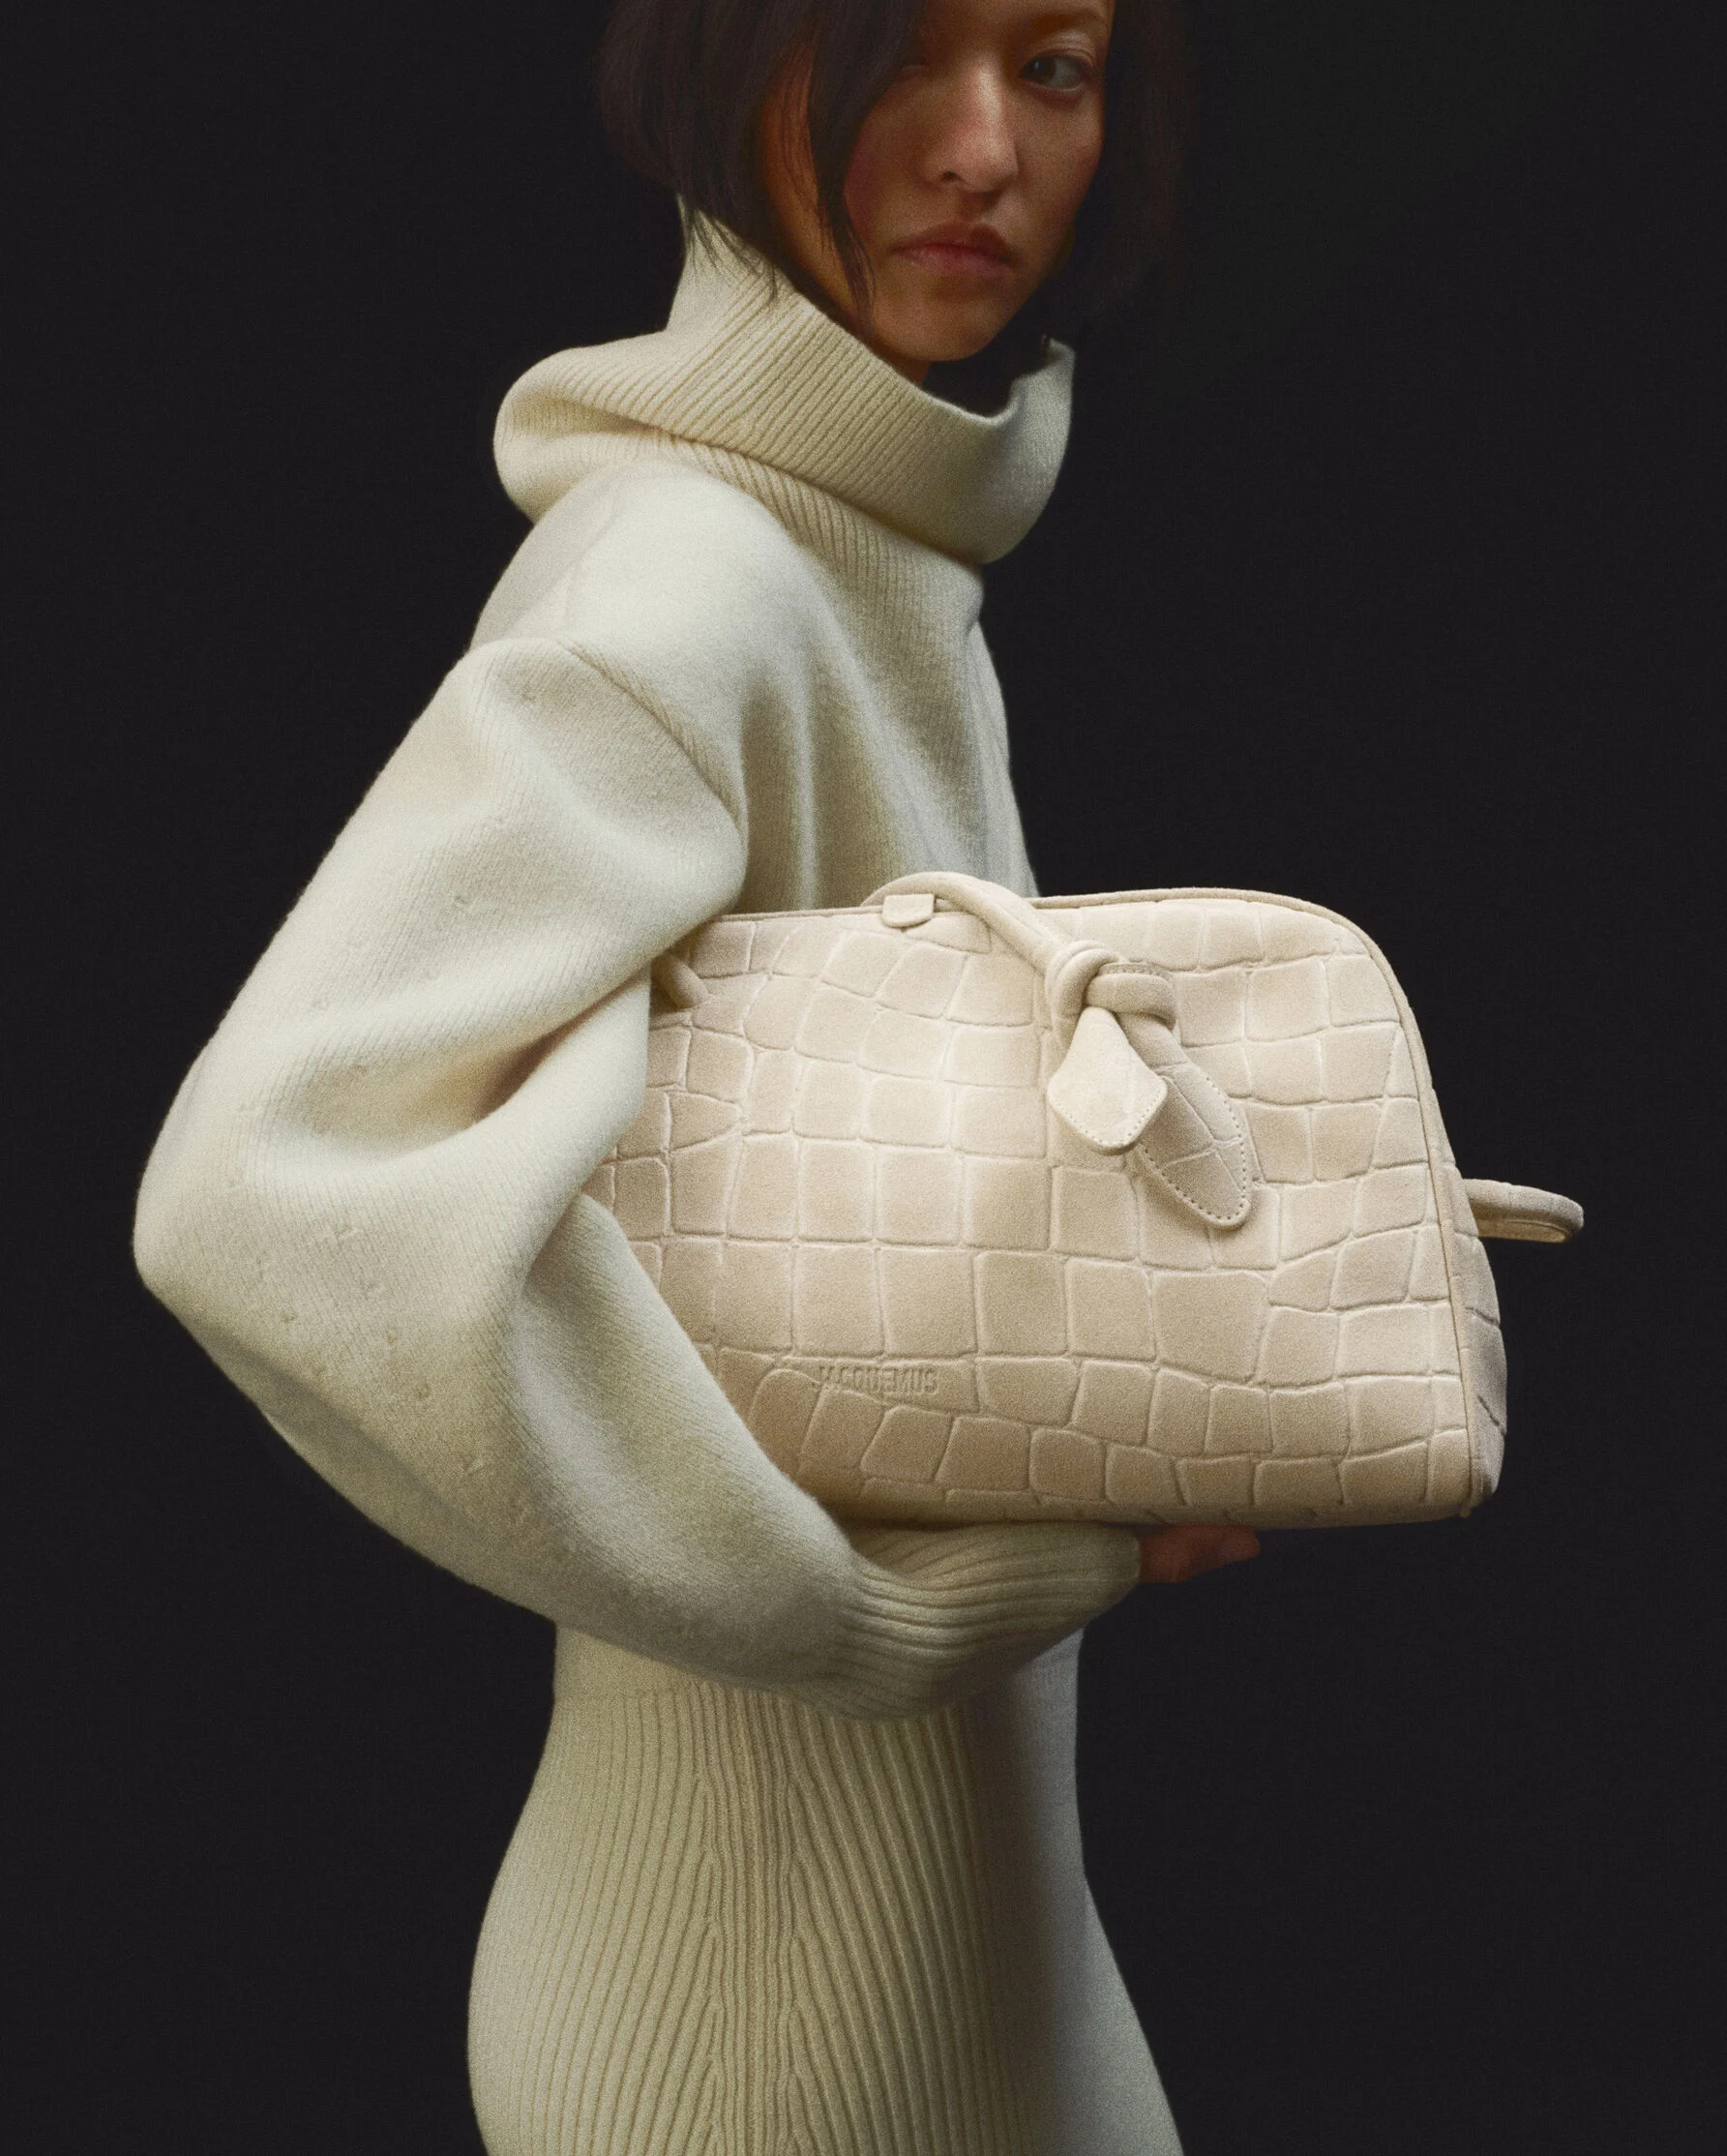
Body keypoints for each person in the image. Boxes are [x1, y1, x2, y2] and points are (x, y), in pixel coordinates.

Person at [134, 1, 1261, 2148]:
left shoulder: (869, 557)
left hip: (961, 1949)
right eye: (898, 49)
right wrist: (877, 1606)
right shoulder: (695, 581)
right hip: (754, 2012)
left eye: (1053, 67)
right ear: (719, 64)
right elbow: (272, 1197)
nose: (983, 149)